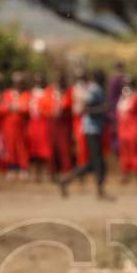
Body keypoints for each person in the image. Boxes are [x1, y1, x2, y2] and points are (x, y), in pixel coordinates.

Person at [58, 70, 109, 199]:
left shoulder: (94, 89)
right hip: (91, 129)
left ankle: (66, 180)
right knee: (97, 163)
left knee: (94, 163)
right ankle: (99, 190)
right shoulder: (94, 89)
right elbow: (86, 109)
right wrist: (104, 108)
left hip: (95, 128)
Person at [114, 76, 137, 181]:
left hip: (133, 128)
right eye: (125, 84)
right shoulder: (122, 98)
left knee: (135, 152)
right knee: (124, 153)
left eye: (129, 84)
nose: (127, 86)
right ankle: (126, 173)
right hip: (122, 129)